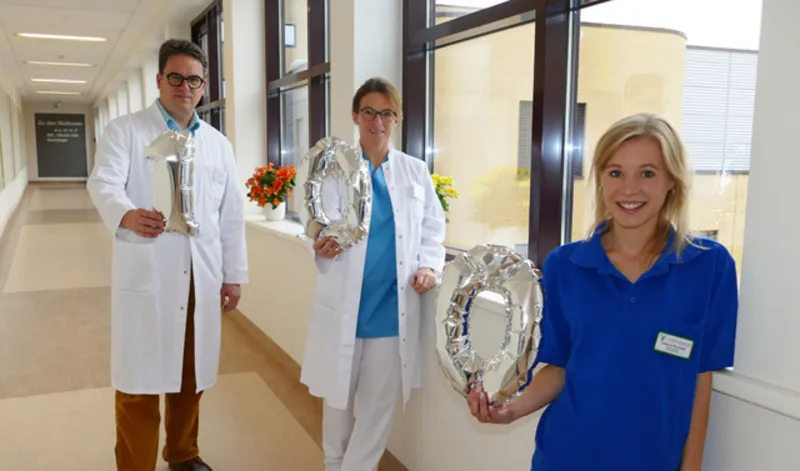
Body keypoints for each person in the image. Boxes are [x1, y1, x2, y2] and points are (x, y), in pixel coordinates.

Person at [467, 113, 739, 471]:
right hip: (565, 457)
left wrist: (691, 467)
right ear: (600, 179)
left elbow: (701, 380)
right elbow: (560, 367)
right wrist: (510, 410)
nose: (629, 189)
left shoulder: (709, 265)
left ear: (671, 180)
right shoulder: (565, 265)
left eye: (647, 173)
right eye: (615, 173)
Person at [87, 39, 248, 471]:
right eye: (175, 77)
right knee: (138, 382)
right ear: (160, 80)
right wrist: (126, 213)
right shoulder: (126, 130)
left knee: (190, 376)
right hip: (149, 271)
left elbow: (231, 213)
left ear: (204, 85)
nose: (184, 86)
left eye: (194, 80)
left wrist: (233, 275)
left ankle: (182, 454)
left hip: (201, 275)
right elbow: (102, 183)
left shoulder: (218, 145)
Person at [299, 77, 447, 471]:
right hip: (344, 304)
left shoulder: (415, 172)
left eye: (386, 113)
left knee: (378, 409)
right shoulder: (334, 170)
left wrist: (429, 265)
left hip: (391, 311)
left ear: (397, 119)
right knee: (337, 400)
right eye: (369, 112)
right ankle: (334, 463)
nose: (377, 122)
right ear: (355, 115)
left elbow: (433, 228)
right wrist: (319, 244)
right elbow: (315, 223)